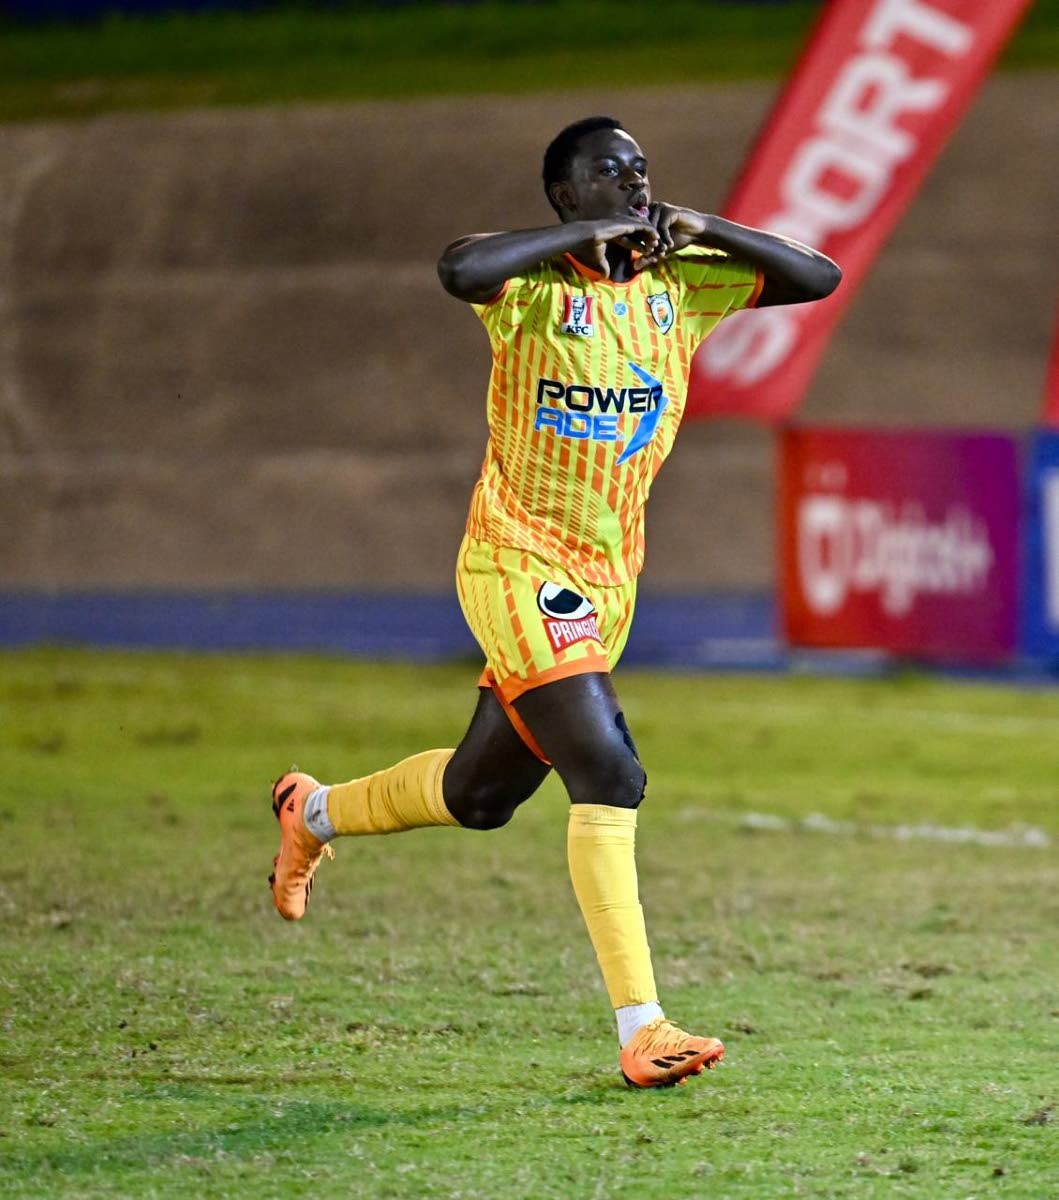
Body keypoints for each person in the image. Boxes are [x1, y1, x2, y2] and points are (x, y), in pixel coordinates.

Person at [269, 116, 840, 1088]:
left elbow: (817, 277)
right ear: (569, 194)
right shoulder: (530, 289)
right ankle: (642, 1028)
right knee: (610, 772)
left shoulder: (676, 287)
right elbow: (458, 267)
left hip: (608, 580)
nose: (635, 183)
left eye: (641, 170)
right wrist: (583, 240)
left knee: (479, 796)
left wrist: (703, 226)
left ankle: (312, 812)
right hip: (516, 562)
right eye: (612, 173)